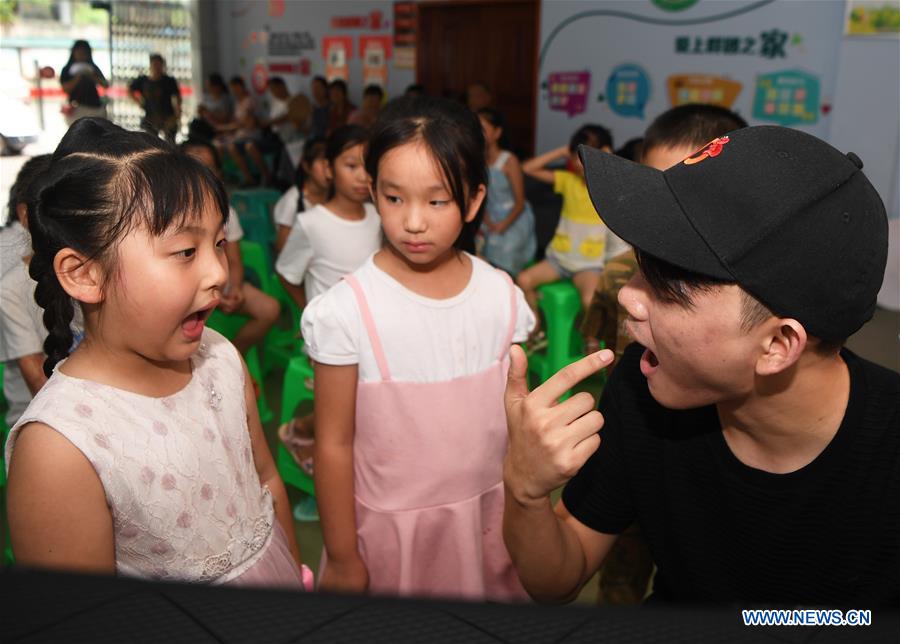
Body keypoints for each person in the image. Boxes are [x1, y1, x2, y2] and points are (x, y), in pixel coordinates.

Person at [502, 125, 898, 606]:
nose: (627, 296)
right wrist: (524, 491)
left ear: (778, 344)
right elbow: (557, 578)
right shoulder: (643, 386)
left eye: (670, 288)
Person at [4, 118, 310, 589]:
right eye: (186, 250)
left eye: (219, 244)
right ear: (85, 274)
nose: (217, 272)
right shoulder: (60, 449)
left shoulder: (220, 358)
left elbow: (266, 481)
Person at [302, 96, 535, 599]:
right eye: (393, 198)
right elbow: (334, 444)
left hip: (489, 524)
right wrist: (343, 557)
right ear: (373, 192)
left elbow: (516, 424)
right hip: (389, 537)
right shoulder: (346, 311)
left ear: (473, 202)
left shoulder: (502, 298)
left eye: (437, 201)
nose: (413, 222)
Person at [578, 104, 749, 606]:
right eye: (658, 190)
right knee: (621, 579)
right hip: (634, 444)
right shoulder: (615, 277)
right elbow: (599, 343)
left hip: (711, 457)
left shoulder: (754, 299)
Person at [582, 105, 749, 363]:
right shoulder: (620, 270)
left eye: (686, 195)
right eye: (655, 190)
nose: (666, 210)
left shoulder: (746, 296)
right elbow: (602, 341)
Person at [518, 125, 629, 329]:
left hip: (587, 265)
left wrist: (605, 157)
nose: (578, 163)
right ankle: (535, 324)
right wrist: (562, 151)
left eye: (582, 156)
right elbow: (527, 168)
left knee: (590, 301)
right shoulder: (569, 181)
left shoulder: (608, 188)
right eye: (575, 156)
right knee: (523, 280)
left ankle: (590, 338)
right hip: (558, 259)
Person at [181, 140, 281, 355]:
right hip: (183, 286)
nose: (201, 177)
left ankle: (233, 356)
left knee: (270, 309)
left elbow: (234, 261)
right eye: (192, 168)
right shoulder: (169, 215)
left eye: (208, 169)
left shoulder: (226, 213)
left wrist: (233, 289)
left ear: (217, 174)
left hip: (220, 281)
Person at [0, 155, 75, 430]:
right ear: (24, 216)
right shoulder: (12, 287)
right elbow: (37, 384)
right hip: (38, 421)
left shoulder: (90, 270)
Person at [275, 125, 380, 311]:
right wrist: (309, 313)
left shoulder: (378, 217)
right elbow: (286, 273)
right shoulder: (311, 223)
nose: (363, 176)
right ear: (329, 168)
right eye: (351, 166)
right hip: (332, 332)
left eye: (369, 167)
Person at [476, 107, 536, 276]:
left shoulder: (509, 161)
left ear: (497, 133)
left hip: (512, 218)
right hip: (486, 217)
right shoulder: (478, 160)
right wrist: (487, 220)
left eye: (483, 129)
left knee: (505, 250)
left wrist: (503, 225)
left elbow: (519, 202)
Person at [273, 137, 330, 253]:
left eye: (330, 164)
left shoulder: (336, 196)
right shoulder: (292, 201)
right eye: (322, 163)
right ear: (306, 166)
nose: (327, 170)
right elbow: (282, 248)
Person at [216, 76, 270, 187]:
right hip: (239, 135)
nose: (234, 91)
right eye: (232, 88)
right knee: (218, 144)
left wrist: (225, 128)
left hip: (250, 135)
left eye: (235, 87)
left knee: (231, 146)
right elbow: (236, 121)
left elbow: (245, 124)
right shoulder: (237, 102)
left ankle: (249, 178)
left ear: (241, 86)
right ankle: (222, 175)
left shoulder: (250, 101)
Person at [129, 54, 182, 144]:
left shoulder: (169, 81)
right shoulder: (143, 80)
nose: (157, 67)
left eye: (159, 65)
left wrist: (177, 112)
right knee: (151, 143)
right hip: (150, 117)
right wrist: (139, 102)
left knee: (171, 143)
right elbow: (130, 90)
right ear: (151, 65)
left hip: (168, 116)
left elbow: (177, 97)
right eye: (155, 64)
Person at [59, 40, 108, 126]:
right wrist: (78, 77)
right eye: (79, 52)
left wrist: (92, 76)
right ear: (73, 53)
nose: (81, 55)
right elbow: (65, 89)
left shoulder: (93, 67)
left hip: (95, 107)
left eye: (84, 53)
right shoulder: (67, 69)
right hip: (76, 108)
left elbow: (105, 85)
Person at [310, 75, 330, 139]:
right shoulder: (312, 107)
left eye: (318, 87)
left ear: (326, 89)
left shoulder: (333, 107)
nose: (315, 91)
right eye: (313, 88)